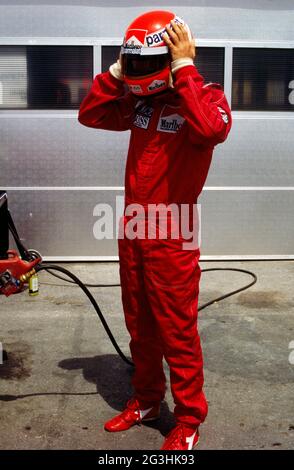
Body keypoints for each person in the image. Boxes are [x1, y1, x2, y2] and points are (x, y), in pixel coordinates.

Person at [78, 10, 232, 450]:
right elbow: (90, 114)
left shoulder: (206, 98)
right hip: (132, 228)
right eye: (135, 62)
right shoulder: (140, 103)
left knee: (175, 329)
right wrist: (117, 69)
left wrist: (184, 68)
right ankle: (146, 400)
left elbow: (209, 130)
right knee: (140, 325)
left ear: (173, 56)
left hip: (173, 232)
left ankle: (188, 418)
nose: (141, 71)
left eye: (149, 62)